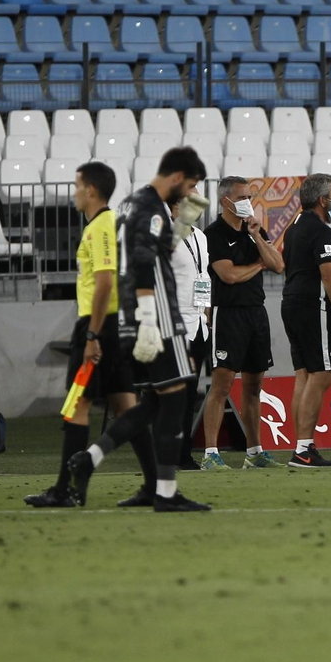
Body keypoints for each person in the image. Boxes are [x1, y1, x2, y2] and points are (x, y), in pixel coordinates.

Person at [66, 147, 212, 511]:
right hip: (156, 314)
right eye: (190, 185)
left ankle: (90, 459)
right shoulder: (150, 209)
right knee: (175, 400)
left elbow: (157, 250)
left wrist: (184, 221)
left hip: (132, 316)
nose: (190, 192)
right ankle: (165, 492)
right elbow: (146, 263)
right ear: (176, 177)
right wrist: (149, 318)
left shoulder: (132, 204)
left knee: (153, 403)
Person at [25, 161, 156, 508]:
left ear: (92, 190)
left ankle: (65, 489)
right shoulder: (112, 225)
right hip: (116, 324)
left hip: (100, 326)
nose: (75, 193)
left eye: (77, 186)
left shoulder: (100, 227)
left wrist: (93, 336)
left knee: (77, 404)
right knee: (126, 407)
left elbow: (104, 283)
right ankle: (155, 485)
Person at [199, 176, 283, 469]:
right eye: (242, 197)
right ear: (226, 201)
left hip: (256, 313)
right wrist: (259, 264)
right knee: (221, 385)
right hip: (228, 314)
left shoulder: (253, 230)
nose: (249, 202)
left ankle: (255, 452)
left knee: (254, 385)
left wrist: (257, 236)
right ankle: (210, 454)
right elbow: (229, 275)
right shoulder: (214, 235)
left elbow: (278, 265)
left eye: (250, 196)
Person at [280, 173, 331, 469]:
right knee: (323, 374)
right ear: (323, 200)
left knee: (305, 375)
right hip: (315, 307)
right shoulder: (321, 231)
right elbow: (329, 275)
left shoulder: (294, 227)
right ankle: (303, 449)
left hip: (293, 303)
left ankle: (302, 446)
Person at [169, 188, 210, 471]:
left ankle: (183, 455)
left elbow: (203, 276)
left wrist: (206, 314)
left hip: (198, 326)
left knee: (189, 394)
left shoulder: (200, 237)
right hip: (175, 325)